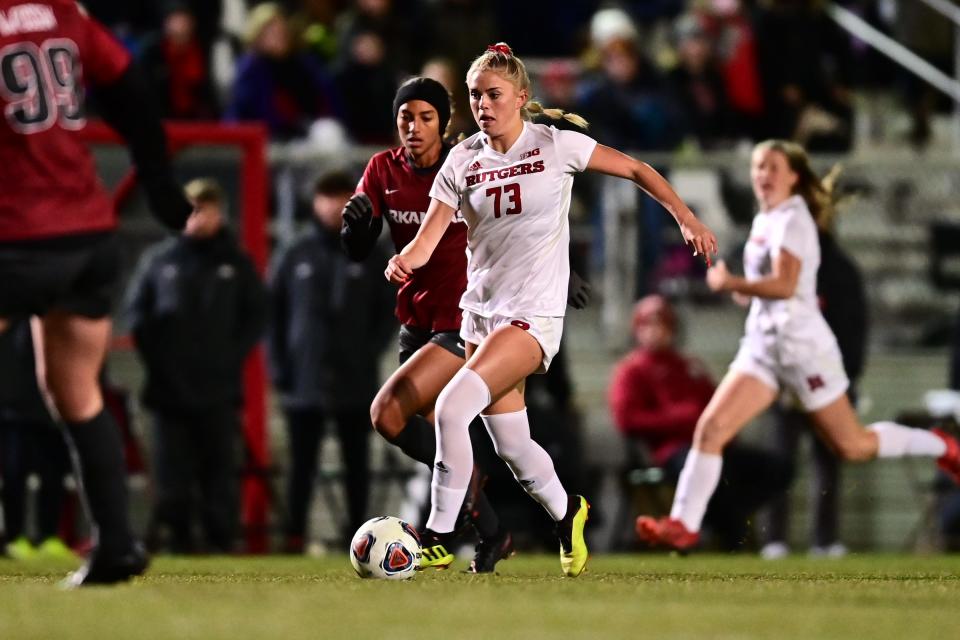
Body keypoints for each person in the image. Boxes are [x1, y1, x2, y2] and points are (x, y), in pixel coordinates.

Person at [383, 43, 717, 577]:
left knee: (450, 408)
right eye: (474, 96)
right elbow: (428, 240)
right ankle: (568, 514)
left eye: (493, 95)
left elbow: (636, 169)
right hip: (481, 313)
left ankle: (439, 535)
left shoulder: (556, 145)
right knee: (513, 444)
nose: (483, 105)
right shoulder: (462, 159)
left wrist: (685, 217)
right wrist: (404, 259)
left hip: (533, 315)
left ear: (521, 97)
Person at [637, 139, 960, 551]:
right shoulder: (765, 219)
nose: (763, 175)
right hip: (764, 347)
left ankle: (942, 445)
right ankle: (683, 524)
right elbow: (772, 286)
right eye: (757, 167)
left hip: (804, 350)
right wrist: (744, 293)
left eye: (773, 167)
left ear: (794, 177)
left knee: (853, 445)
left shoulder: (794, 219)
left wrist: (733, 282)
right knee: (711, 428)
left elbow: (786, 285)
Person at [0, 0, 193, 586]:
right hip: (85, 232)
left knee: (72, 390)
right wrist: (157, 178)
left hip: (14, 235)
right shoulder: (63, 12)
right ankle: (116, 545)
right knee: (77, 393)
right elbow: (130, 86)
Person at [341, 76, 521, 573]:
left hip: (464, 319)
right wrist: (353, 228)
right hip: (414, 320)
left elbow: (518, 218)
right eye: (406, 118)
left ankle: (472, 478)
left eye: (425, 118)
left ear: (445, 122)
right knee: (433, 443)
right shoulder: (382, 168)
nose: (414, 128)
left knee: (386, 415)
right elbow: (358, 246)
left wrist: (559, 274)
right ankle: (493, 533)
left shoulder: (469, 163)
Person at [126, 179, 267, 554]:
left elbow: (256, 315)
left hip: (218, 389)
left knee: (218, 471)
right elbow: (136, 317)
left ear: (220, 213)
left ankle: (221, 540)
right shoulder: (159, 262)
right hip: (168, 390)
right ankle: (179, 539)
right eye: (192, 208)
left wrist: (229, 357)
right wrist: (160, 361)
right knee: (172, 473)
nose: (199, 217)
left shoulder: (236, 263)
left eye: (206, 208)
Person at [268, 171, 396, 552]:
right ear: (314, 202)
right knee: (301, 465)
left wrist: (367, 351)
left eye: (342, 197)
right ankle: (294, 536)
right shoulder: (294, 253)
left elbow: (388, 311)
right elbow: (272, 313)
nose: (333, 206)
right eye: (326, 197)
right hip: (303, 378)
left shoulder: (372, 254)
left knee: (357, 464)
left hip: (356, 378)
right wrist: (280, 367)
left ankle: (358, 538)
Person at [610, 295, 792, 551]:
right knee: (712, 474)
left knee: (777, 467)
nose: (654, 331)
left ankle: (725, 519)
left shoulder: (689, 366)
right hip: (670, 450)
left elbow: (718, 403)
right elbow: (627, 420)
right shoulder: (632, 370)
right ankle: (728, 533)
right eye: (647, 325)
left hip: (712, 445)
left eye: (661, 324)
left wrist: (724, 431)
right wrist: (680, 420)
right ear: (636, 329)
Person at [761, 220, 868, 559]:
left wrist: (843, 378)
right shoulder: (782, 264)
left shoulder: (840, 271)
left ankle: (824, 539)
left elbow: (854, 330)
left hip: (827, 382)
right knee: (781, 463)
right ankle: (776, 538)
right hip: (788, 382)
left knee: (826, 464)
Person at [0, 318, 74, 560]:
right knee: (13, 475)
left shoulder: (52, 305)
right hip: (12, 409)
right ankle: (14, 536)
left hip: (51, 409)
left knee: (53, 475)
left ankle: (49, 535)